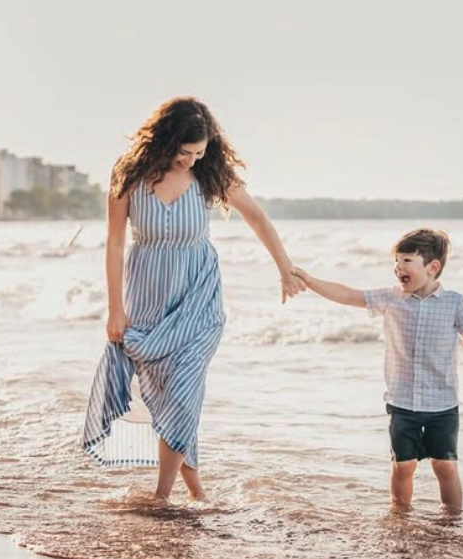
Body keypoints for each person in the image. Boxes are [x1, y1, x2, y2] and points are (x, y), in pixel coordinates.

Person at [81, 97, 305, 502]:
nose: (191, 160)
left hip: (199, 304)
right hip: (146, 302)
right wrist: (115, 308)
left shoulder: (210, 174)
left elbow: (258, 217)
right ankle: (196, 489)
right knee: (168, 396)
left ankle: (161, 497)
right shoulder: (129, 174)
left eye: (199, 152)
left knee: (183, 391)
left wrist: (284, 269)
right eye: (185, 152)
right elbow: (115, 245)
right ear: (165, 142)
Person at [292, 228, 463, 512]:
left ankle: (453, 520)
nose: (398, 267)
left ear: (432, 267)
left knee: (445, 465)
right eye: (396, 261)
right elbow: (347, 294)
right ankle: (400, 514)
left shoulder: (454, 303)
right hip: (402, 402)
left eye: (406, 261)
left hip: (442, 403)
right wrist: (310, 280)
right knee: (402, 466)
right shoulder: (391, 298)